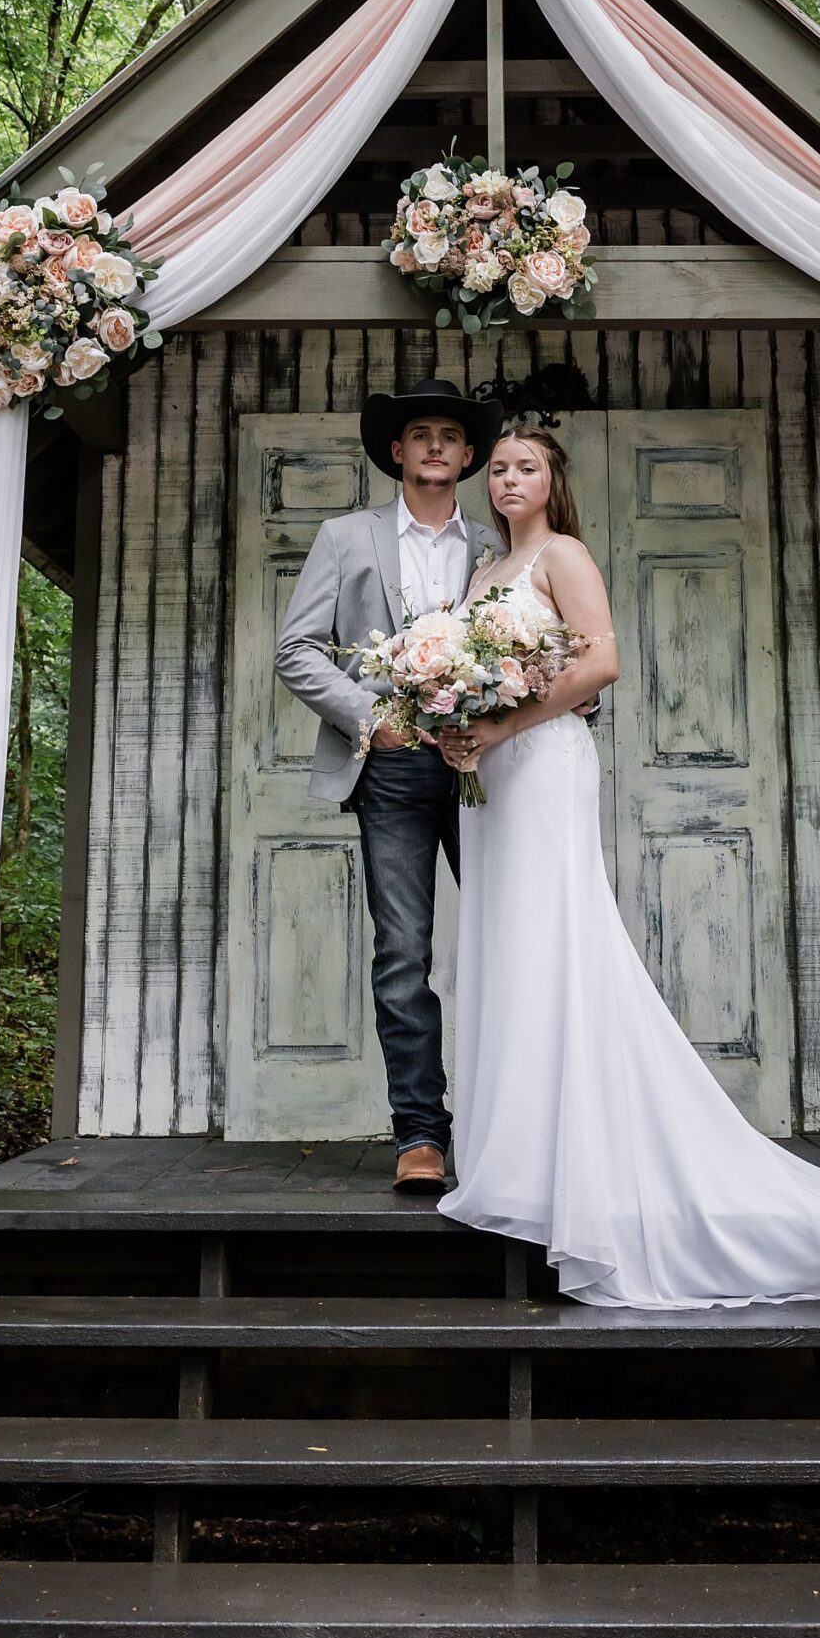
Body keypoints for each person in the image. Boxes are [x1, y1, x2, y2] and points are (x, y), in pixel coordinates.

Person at [433, 423, 820, 1307]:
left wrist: (501, 726)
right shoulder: (480, 574)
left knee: (554, 943)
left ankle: (577, 1162)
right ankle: (511, 1157)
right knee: (504, 951)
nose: (510, 479)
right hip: (493, 778)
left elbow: (604, 661)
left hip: (542, 765)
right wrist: (456, 723)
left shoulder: (564, 555)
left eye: (527, 467)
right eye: (501, 469)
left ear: (552, 480)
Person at [275, 377, 501, 1195]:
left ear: (468, 456)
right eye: (420, 434)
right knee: (403, 952)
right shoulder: (344, 537)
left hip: (488, 769)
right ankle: (420, 1135)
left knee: (516, 939)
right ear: (396, 453)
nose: (435, 444)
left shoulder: (497, 545)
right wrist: (373, 718)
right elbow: (296, 649)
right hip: (392, 770)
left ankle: (513, 1120)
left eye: (450, 434)